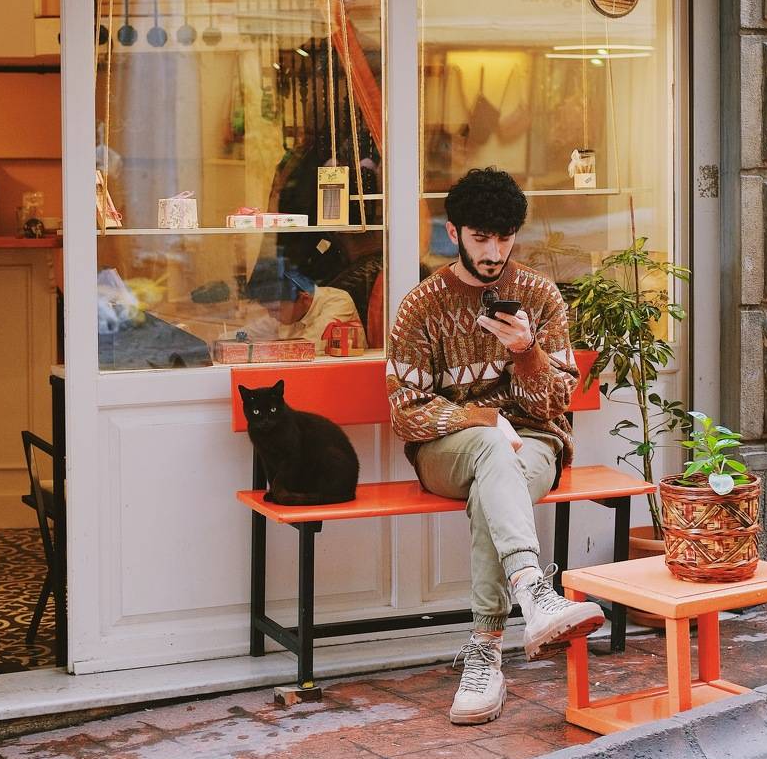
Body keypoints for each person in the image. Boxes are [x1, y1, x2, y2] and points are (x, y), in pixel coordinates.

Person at [386, 167, 604, 725]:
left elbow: (555, 403)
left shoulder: (539, 296)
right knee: (488, 448)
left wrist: (527, 352)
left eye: (504, 238)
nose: (493, 252)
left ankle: (485, 653)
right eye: (481, 238)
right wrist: (481, 418)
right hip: (446, 450)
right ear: (454, 232)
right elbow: (406, 412)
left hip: (532, 443)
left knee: (496, 482)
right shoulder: (421, 306)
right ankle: (534, 590)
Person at [245, 256, 363, 354]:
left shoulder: (338, 302)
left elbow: (308, 347)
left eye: (276, 310)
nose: (271, 315)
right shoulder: (287, 311)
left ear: (304, 298)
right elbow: (248, 333)